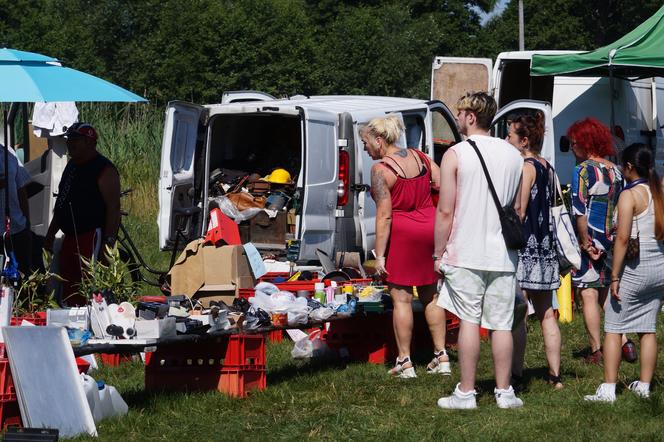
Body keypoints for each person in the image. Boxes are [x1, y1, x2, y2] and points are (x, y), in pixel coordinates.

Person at [435, 91, 524, 409]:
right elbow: (515, 207)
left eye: (459, 113)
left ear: (471, 116)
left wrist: (437, 253)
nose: (457, 119)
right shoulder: (514, 155)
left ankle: (466, 392)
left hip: (465, 249)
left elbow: (445, 211)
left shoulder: (455, 154)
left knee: (469, 321)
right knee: (501, 323)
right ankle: (504, 392)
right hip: (502, 252)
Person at [361, 114, 450, 379]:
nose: (366, 149)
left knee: (401, 299)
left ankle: (405, 361)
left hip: (404, 235)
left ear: (379, 140)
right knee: (431, 295)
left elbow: (384, 216)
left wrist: (379, 256)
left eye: (366, 143)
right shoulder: (420, 157)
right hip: (430, 230)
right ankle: (441, 356)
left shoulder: (381, 170)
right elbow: (442, 183)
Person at [585, 143, 664, 402]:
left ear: (629, 167)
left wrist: (615, 276)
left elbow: (622, 239)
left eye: (622, 165)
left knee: (614, 327)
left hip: (635, 269)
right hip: (659, 267)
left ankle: (608, 388)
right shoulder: (659, 190)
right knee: (647, 328)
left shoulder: (629, 195)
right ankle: (644, 385)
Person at [568, 118, 633, 364]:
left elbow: (579, 211)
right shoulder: (616, 170)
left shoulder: (582, 170)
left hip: (591, 240)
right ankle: (624, 341)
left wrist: (585, 243)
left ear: (585, 143)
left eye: (575, 143)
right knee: (607, 293)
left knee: (587, 294)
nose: (572, 147)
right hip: (612, 239)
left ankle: (596, 350)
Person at [506, 112, 563, 390]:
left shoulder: (526, 166)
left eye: (510, 135)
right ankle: (555, 377)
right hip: (546, 248)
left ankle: (515, 374)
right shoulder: (548, 167)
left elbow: (520, 208)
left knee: (518, 313)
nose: (507, 140)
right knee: (547, 314)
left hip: (526, 249)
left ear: (524, 140)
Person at [44, 123, 121, 306]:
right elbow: (61, 203)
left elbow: (113, 208)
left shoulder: (104, 169)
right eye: (69, 139)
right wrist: (50, 234)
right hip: (70, 237)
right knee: (67, 285)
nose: (70, 144)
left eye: (75, 140)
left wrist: (108, 243)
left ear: (89, 142)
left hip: (91, 236)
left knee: (87, 286)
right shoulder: (71, 166)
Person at [0, 145, 32, 277]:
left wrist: (27, 222)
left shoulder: (8, 151)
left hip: (17, 228)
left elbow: (21, 188)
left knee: (22, 277)